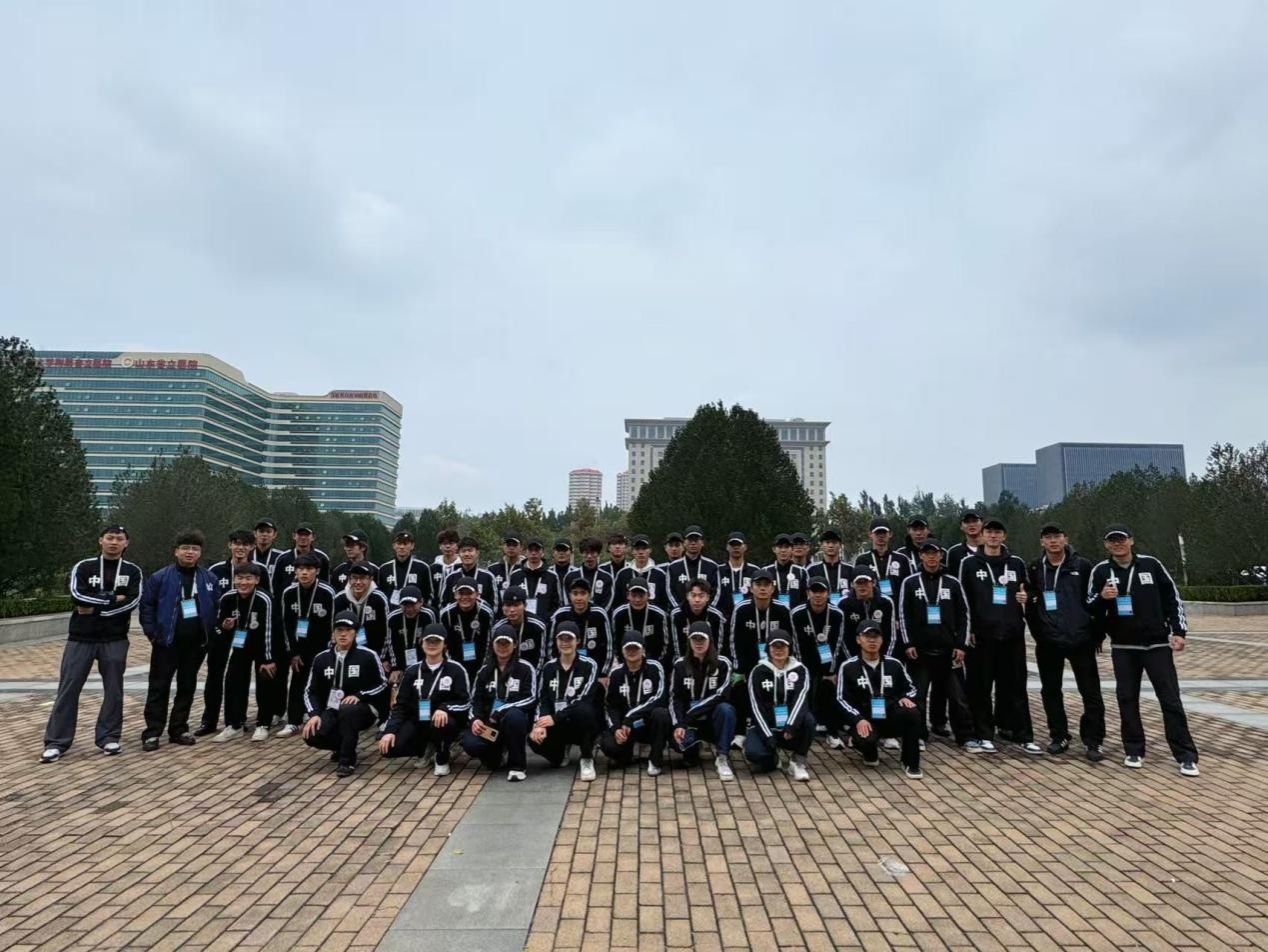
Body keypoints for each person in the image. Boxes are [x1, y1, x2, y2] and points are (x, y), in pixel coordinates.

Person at [1087, 525, 1198, 776]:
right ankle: (1134, 749)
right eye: (1112, 541)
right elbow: (1089, 605)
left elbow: (1172, 598)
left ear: (1131, 541)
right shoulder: (1101, 570)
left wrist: (1179, 631)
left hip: (1156, 645)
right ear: (1106, 545)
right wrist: (1102, 597)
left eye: (1121, 539)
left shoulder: (1151, 565)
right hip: (1124, 647)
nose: (1117, 544)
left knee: (1170, 699)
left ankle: (1186, 755)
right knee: (1127, 699)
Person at [42, 525, 142, 763]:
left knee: (114, 690)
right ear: (101, 540)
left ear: (126, 543)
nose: (114, 542)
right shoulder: (84, 567)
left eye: (119, 539)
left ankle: (109, 737)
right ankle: (56, 742)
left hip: (115, 638)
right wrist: (111, 598)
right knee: (68, 688)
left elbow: (132, 601)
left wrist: (97, 610)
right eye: (110, 538)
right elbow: (77, 595)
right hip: (81, 638)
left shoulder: (132, 570)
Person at [959, 518, 1039, 754]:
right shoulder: (969, 564)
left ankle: (1023, 735)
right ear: (983, 536)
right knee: (980, 687)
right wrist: (968, 630)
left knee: (1015, 687)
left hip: (1012, 634)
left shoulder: (1016, 563)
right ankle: (984, 734)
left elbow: (1029, 590)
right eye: (989, 532)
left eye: (998, 532)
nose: (993, 536)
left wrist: (1027, 597)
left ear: (1004, 536)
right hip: (982, 636)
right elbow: (963, 599)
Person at [1026, 523, 1105, 761]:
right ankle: (1059, 735)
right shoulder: (1034, 568)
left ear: (1065, 539)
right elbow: (1030, 601)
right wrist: (1039, 632)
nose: (1053, 541)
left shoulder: (1083, 565)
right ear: (1042, 542)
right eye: (1048, 537)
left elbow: (1095, 600)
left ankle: (1093, 740)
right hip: (1049, 641)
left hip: (1080, 639)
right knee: (1051, 690)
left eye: (1057, 536)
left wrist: (1096, 634)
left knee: (1090, 692)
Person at [138, 531, 218, 751]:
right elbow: (147, 605)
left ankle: (179, 728)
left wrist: (210, 633)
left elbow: (216, 605)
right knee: (159, 687)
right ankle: (152, 732)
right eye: (185, 548)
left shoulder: (208, 578)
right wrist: (152, 633)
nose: (190, 552)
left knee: (187, 686)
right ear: (176, 551)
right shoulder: (160, 577)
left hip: (196, 644)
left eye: (194, 549)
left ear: (200, 553)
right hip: (166, 642)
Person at [896, 540, 975, 748]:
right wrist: (908, 643)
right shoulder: (910, 582)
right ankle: (918, 735)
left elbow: (964, 615)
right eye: (927, 553)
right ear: (921, 556)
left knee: (958, 697)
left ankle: (965, 736)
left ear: (941, 555)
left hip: (949, 652)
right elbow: (902, 615)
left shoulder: (952, 582)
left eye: (935, 553)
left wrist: (961, 645)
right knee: (919, 696)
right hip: (920, 652)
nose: (931, 557)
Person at [302, 611, 389, 777]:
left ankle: (347, 760)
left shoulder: (367, 655)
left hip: (363, 709)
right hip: (332, 708)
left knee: (348, 710)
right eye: (339, 630)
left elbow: (383, 683)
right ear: (333, 632)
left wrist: (360, 695)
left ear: (355, 633)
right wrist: (314, 714)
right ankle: (343, 746)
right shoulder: (321, 658)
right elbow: (309, 690)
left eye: (348, 630)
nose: (343, 634)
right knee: (311, 734)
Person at [378, 623, 471, 776]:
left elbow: (465, 702)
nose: (432, 645)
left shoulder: (456, 669)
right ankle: (424, 750)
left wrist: (445, 708)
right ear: (422, 643)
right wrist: (390, 731)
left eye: (437, 641)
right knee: (388, 748)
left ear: (445, 644)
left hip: (444, 722)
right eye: (428, 641)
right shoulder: (412, 671)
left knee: (442, 721)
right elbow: (400, 705)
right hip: (418, 721)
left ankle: (442, 757)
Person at [836, 621, 923, 779]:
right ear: (858, 639)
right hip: (865, 719)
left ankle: (910, 762)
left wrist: (906, 697)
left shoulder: (894, 664)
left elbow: (912, 688)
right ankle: (868, 751)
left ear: (882, 640)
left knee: (913, 713)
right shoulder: (848, 667)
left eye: (876, 636)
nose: (872, 640)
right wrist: (858, 719)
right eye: (867, 636)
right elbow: (841, 698)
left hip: (890, 716)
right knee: (866, 741)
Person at [461, 625, 539, 781]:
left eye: (506, 643)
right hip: (490, 725)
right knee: (471, 743)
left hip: (513, 722)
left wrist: (502, 710)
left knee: (515, 716)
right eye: (499, 643)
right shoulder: (484, 671)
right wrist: (475, 719)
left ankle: (517, 766)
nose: (502, 647)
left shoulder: (525, 668)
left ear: (515, 645)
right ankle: (495, 756)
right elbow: (475, 700)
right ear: (493, 645)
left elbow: (530, 698)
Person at [213, 563, 279, 742]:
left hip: (263, 647)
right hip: (240, 646)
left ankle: (263, 724)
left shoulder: (264, 599)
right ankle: (234, 724)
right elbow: (219, 625)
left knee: (264, 683)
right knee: (233, 682)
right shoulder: (228, 598)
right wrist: (225, 627)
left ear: (257, 580)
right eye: (240, 578)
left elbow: (269, 630)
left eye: (248, 578)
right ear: (234, 579)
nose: (243, 583)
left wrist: (268, 659)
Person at [530, 621, 602, 781]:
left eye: (569, 639)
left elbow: (584, 698)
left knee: (585, 711)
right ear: (556, 641)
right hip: (557, 724)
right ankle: (560, 753)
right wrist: (539, 723)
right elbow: (542, 698)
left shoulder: (589, 665)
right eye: (561, 639)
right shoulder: (548, 667)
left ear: (578, 641)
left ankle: (587, 758)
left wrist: (556, 717)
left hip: (579, 722)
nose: (565, 643)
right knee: (534, 739)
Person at [201, 529, 256, 736]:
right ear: (229, 545)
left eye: (245, 544)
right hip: (221, 631)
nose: (240, 548)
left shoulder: (257, 570)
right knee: (214, 676)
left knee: (240, 677)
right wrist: (217, 626)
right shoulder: (215, 570)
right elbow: (208, 601)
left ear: (251, 547)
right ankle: (209, 721)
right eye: (236, 543)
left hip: (245, 633)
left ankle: (237, 719)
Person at [279, 552, 337, 738]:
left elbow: (333, 624)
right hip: (299, 647)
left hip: (322, 647)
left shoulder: (327, 592)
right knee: (298, 682)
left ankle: (323, 718)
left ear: (317, 571)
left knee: (324, 683)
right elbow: (286, 624)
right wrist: (292, 652)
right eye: (300, 569)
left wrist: (330, 651)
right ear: (295, 571)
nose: (304, 573)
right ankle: (293, 721)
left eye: (309, 569)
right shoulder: (289, 593)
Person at [669, 622, 737, 780]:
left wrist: (692, 713)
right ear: (689, 641)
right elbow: (675, 698)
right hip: (690, 723)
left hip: (711, 720)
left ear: (710, 640)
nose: (698, 643)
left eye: (702, 639)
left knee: (726, 709)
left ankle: (722, 758)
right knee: (680, 747)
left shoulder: (723, 663)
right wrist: (679, 724)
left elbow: (721, 694)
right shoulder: (680, 665)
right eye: (695, 639)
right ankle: (694, 748)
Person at [744, 628, 813, 781]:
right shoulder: (758, 671)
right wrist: (767, 735)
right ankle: (774, 759)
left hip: (790, 729)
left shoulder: (800, 670)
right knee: (754, 754)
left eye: (783, 646)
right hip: (767, 726)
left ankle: (798, 761)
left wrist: (791, 725)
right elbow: (755, 706)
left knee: (809, 720)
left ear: (790, 648)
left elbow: (801, 699)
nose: (779, 650)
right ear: (768, 648)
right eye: (775, 646)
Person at [599, 633, 671, 776]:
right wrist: (616, 728)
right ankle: (626, 755)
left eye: (635, 648)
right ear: (622, 651)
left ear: (643, 650)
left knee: (661, 714)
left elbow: (660, 698)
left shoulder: (655, 667)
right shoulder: (616, 673)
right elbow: (611, 706)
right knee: (607, 745)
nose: (632, 652)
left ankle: (655, 760)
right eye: (628, 648)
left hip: (647, 723)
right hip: (627, 728)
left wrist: (631, 717)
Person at [791, 577, 847, 748]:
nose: (817, 595)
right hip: (804, 660)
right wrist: (801, 670)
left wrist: (831, 671)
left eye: (821, 591)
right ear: (808, 593)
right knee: (803, 690)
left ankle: (832, 732)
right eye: (814, 591)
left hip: (827, 661)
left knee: (829, 688)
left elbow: (838, 644)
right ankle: (801, 727)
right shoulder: (797, 613)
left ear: (828, 593)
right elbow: (796, 644)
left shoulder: (837, 614)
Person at [439, 577, 498, 680]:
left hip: (480, 659)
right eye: (461, 593)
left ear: (477, 595)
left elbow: (489, 642)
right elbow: (444, 643)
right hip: (454, 658)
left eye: (469, 593)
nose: (465, 597)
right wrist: (451, 664)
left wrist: (484, 665)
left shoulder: (486, 613)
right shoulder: (446, 614)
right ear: (455, 595)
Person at [548, 577, 612, 672]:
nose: (579, 598)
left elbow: (608, 645)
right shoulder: (560, 615)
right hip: (565, 668)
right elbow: (551, 645)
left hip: (594, 668)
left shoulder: (599, 614)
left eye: (583, 593)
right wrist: (555, 668)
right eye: (575, 593)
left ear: (589, 595)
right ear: (570, 596)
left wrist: (604, 673)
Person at [611, 578, 673, 672]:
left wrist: (655, 665)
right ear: (628, 595)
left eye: (641, 595)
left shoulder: (659, 615)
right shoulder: (619, 614)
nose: (637, 599)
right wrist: (624, 663)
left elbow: (665, 645)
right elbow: (615, 643)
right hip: (626, 664)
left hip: (653, 664)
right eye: (634, 595)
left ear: (648, 595)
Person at [334, 562, 392, 661]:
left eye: (362, 578)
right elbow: (333, 630)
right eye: (354, 578)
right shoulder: (339, 599)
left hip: (375, 655)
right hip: (345, 655)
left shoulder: (379, 599)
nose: (358, 582)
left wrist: (383, 658)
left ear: (371, 579)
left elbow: (388, 632)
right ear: (349, 579)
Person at [837, 568, 896, 659]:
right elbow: (843, 638)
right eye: (858, 583)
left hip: (881, 654)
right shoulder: (843, 604)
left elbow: (891, 635)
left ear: (873, 583)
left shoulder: (886, 602)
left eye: (866, 582)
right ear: (852, 584)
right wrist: (854, 662)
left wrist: (885, 660)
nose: (862, 586)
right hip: (853, 655)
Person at [854, 518, 913, 603]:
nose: (881, 536)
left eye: (884, 533)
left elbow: (909, 587)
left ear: (890, 534)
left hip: (897, 606)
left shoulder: (902, 559)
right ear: (870, 534)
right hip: (872, 607)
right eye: (877, 533)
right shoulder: (862, 559)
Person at [385, 584, 437, 675]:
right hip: (401, 663)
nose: (409, 609)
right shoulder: (393, 618)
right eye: (405, 605)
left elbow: (435, 641)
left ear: (421, 602)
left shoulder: (428, 615)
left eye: (413, 604)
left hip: (425, 662)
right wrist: (395, 667)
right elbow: (390, 644)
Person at [611, 534, 672, 613]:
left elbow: (665, 601)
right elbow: (616, 601)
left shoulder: (660, 574)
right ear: (632, 551)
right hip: (628, 617)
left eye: (644, 548)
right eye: (637, 549)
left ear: (650, 550)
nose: (640, 552)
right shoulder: (623, 574)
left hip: (653, 617)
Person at [667, 525, 721, 610]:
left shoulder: (712, 566)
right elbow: (670, 591)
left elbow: (716, 591)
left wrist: (708, 610)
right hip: (681, 613)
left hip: (706, 613)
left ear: (702, 543)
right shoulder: (673, 567)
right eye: (690, 540)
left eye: (696, 540)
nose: (693, 543)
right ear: (684, 543)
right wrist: (679, 610)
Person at [670, 579, 727, 659]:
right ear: (687, 596)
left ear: (708, 597)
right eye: (693, 595)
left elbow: (719, 646)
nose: (697, 600)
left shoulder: (716, 616)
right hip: (684, 660)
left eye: (701, 596)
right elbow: (676, 646)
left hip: (710, 660)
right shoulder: (676, 615)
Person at [377, 530, 433, 609]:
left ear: (412, 546)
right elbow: (380, 594)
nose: (402, 547)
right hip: (390, 612)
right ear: (393, 546)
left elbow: (428, 594)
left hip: (414, 612)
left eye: (405, 544)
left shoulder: (423, 568)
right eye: (399, 543)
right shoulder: (384, 568)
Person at [440, 537, 500, 610]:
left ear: (477, 553)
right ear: (459, 554)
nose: (467, 554)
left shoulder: (488, 577)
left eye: (470, 550)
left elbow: (495, 605)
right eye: (463, 551)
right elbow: (444, 604)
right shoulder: (450, 578)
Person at [272, 525, 331, 598]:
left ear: (313, 537)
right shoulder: (283, 558)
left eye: (306, 534)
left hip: (314, 599)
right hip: (288, 600)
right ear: (294, 536)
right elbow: (275, 585)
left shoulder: (322, 558)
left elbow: (326, 583)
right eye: (300, 534)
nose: (303, 537)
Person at [508, 539, 560, 623]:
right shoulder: (516, 575)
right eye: (530, 550)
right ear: (525, 552)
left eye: (537, 550)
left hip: (545, 623)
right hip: (520, 621)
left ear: (542, 553)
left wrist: (548, 619)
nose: (533, 553)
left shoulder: (552, 576)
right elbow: (510, 601)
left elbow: (557, 603)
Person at [498, 587, 549, 671]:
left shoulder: (538, 626)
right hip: (505, 672)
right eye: (508, 605)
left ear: (525, 606)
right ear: (502, 607)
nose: (512, 610)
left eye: (516, 605)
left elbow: (541, 658)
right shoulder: (498, 628)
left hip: (531, 672)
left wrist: (533, 676)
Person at [565, 538, 617, 614]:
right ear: (582, 554)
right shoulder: (571, 576)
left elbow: (608, 601)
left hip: (599, 617)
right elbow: (567, 599)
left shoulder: (607, 577)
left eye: (593, 553)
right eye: (586, 553)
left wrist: (598, 615)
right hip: (575, 616)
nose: (589, 556)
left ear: (598, 554)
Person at [716, 531, 759, 619]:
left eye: (739, 544)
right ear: (727, 547)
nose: (736, 547)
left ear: (745, 547)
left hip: (748, 618)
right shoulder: (718, 570)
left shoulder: (754, 571)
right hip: (724, 618)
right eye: (732, 545)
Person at [806, 528, 854, 608]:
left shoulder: (850, 569)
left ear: (840, 545)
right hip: (821, 611)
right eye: (827, 542)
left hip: (845, 610)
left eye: (834, 542)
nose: (831, 546)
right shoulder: (811, 570)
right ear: (821, 545)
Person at [765, 534, 808, 608]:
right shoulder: (766, 571)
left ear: (792, 549)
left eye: (786, 547)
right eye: (780, 547)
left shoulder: (801, 572)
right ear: (774, 549)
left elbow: (805, 598)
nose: (783, 550)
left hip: (794, 613)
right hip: (773, 613)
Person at [428, 527, 463, 607]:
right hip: (436, 609)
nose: (447, 546)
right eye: (444, 544)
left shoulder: (463, 567)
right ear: (440, 546)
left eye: (451, 543)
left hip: (457, 609)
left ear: (457, 546)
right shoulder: (432, 568)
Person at [944, 511, 984, 576]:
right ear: (961, 526)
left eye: (975, 521)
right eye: (967, 522)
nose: (971, 525)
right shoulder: (954, 552)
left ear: (982, 523)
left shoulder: (994, 548)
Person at [251, 519, 283, 586]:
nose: (264, 534)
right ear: (255, 533)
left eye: (268, 532)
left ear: (274, 535)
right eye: (261, 531)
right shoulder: (247, 555)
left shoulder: (281, 557)